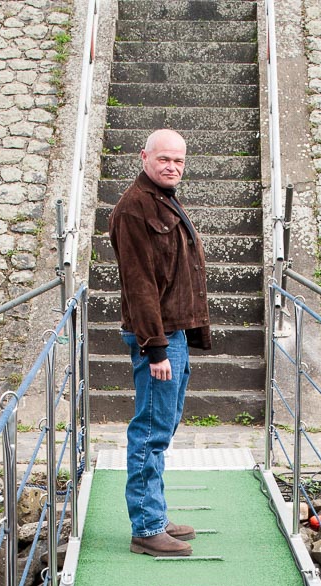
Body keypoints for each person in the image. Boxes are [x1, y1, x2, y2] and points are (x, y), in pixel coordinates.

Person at [106, 127, 211, 557]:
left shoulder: (161, 199)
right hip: (159, 336)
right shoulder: (134, 209)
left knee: (161, 428)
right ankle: (146, 528)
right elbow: (139, 284)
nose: (172, 167)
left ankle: (156, 514)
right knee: (150, 430)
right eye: (164, 159)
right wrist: (155, 348)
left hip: (173, 330)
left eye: (179, 161)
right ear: (144, 156)